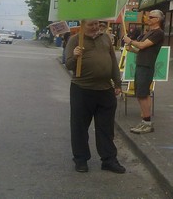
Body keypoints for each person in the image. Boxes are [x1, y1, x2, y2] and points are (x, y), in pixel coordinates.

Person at [65, 19, 125, 174]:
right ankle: (81, 159)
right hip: (82, 89)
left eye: (96, 24)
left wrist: (117, 83)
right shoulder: (75, 40)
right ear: (83, 25)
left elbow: (113, 61)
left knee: (106, 128)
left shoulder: (105, 38)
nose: (95, 27)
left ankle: (109, 160)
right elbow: (68, 65)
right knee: (79, 127)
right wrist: (75, 55)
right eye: (91, 25)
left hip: (105, 89)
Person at [122, 9, 165, 134]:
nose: (148, 18)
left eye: (151, 17)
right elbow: (142, 50)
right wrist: (132, 49)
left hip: (146, 67)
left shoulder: (158, 33)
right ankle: (145, 120)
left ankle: (147, 123)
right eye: (148, 16)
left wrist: (130, 41)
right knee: (143, 94)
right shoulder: (150, 32)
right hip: (142, 65)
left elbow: (142, 45)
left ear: (157, 19)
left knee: (141, 94)